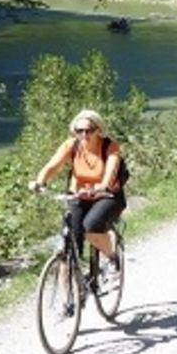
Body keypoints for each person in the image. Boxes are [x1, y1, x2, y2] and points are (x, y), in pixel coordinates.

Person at [28, 109, 124, 270]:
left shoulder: (110, 146)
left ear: (98, 130)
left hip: (107, 196)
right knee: (72, 238)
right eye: (79, 131)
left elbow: (111, 172)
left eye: (89, 131)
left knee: (91, 227)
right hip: (78, 195)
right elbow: (52, 166)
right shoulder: (71, 145)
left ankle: (113, 257)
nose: (84, 135)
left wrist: (101, 186)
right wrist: (39, 182)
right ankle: (75, 283)